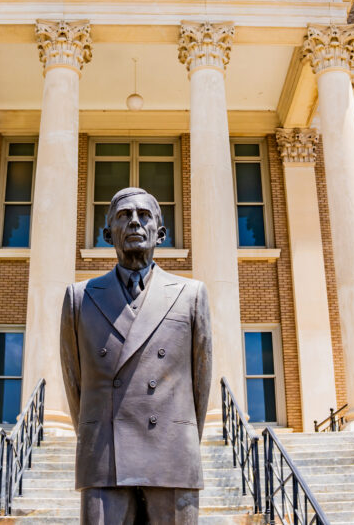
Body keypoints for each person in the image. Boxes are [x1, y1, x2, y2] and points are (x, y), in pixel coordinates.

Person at [60, 187, 212, 524]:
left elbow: (200, 384)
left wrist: (180, 432)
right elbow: (76, 386)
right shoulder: (78, 298)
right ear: (106, 233)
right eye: (123, 216)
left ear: (160, 232)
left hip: (172, 454)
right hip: (104, 457)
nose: (134, 223)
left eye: (144, 216)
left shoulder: (191, 295)